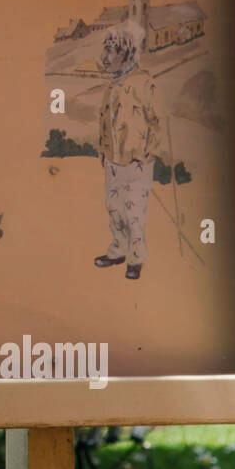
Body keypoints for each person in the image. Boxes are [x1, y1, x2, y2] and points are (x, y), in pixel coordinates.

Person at [94, 23, 164, 280]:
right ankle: (118, 249)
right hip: (113, 160)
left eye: (111, 50)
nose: (105, 56)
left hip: (136, 162)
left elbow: (158, 121)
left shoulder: (145, 83)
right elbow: (104, 118)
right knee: (114, 208)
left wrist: (147, 155)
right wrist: (102, 148)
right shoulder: (112, 86)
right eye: (106, 49)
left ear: (126, 52)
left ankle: (136, 258)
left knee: (135, 212)